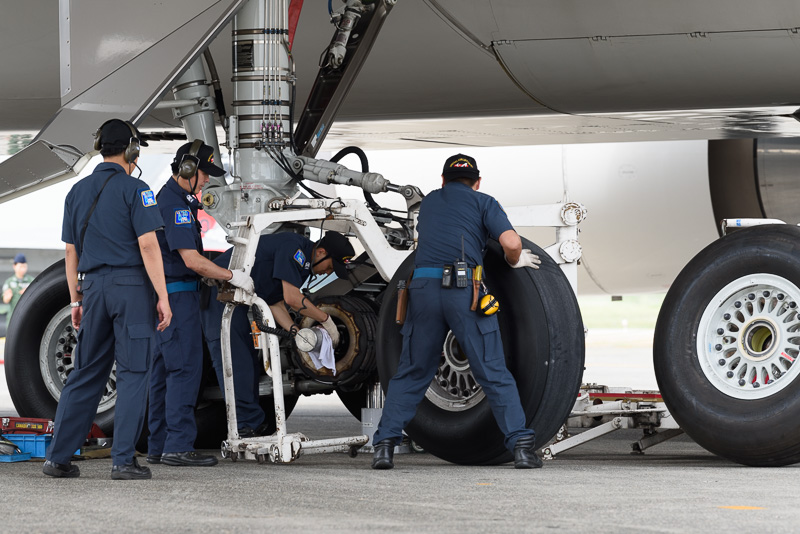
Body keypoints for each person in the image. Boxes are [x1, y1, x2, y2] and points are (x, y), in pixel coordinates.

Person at [371, 154, 543, 470]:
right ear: (477, 182)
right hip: (463, 291)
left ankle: (384, 446)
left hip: (422, 290)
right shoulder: (484, 201)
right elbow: (511, 242)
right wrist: (513, 260)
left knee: (413, 372)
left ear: (442, 180)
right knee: (491, 369)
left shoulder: (431, 203)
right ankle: (520, 446)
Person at [44, 118, 172, 480]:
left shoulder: (76, 192)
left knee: (85, 374)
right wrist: (162, 296)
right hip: (131, 289)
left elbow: (71, 252)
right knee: (133, 374)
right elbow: (148, 245)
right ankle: (123, 461)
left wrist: (75, 301)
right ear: (131, 149)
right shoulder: (137, 190)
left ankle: (57, 458)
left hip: (93, 289)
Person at [146, 141, 254, 467]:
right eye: (205, 172)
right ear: (188, 170)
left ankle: (159, 445)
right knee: (185, 370)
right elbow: (191, 260)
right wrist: (230, 274)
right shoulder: (175, 206)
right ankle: (178, 446)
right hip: (178, 299)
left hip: (168, 296)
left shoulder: (174, 201)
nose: (207, 180)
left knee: (163, 374)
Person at [201, 231, 355, 437]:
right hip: (218, 291)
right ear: (320, 252)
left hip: (233, 297)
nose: (328, 273)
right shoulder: (294, 248)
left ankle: (250, 423)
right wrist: (326, 320)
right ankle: (246, 426)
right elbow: (292, 298)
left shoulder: (304, 264)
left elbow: (275, 302)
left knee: (247, 361)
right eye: (330, 267)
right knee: (235, 358)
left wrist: (296, 332)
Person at [2, 253, 34, 326]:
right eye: (20, 266)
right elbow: (5, 299)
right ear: (14, 266)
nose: (23, 269)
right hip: (12, 317)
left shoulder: (31, 281)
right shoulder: (9, 282)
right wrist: (7, 297)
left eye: (24, 266)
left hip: (27, 317)